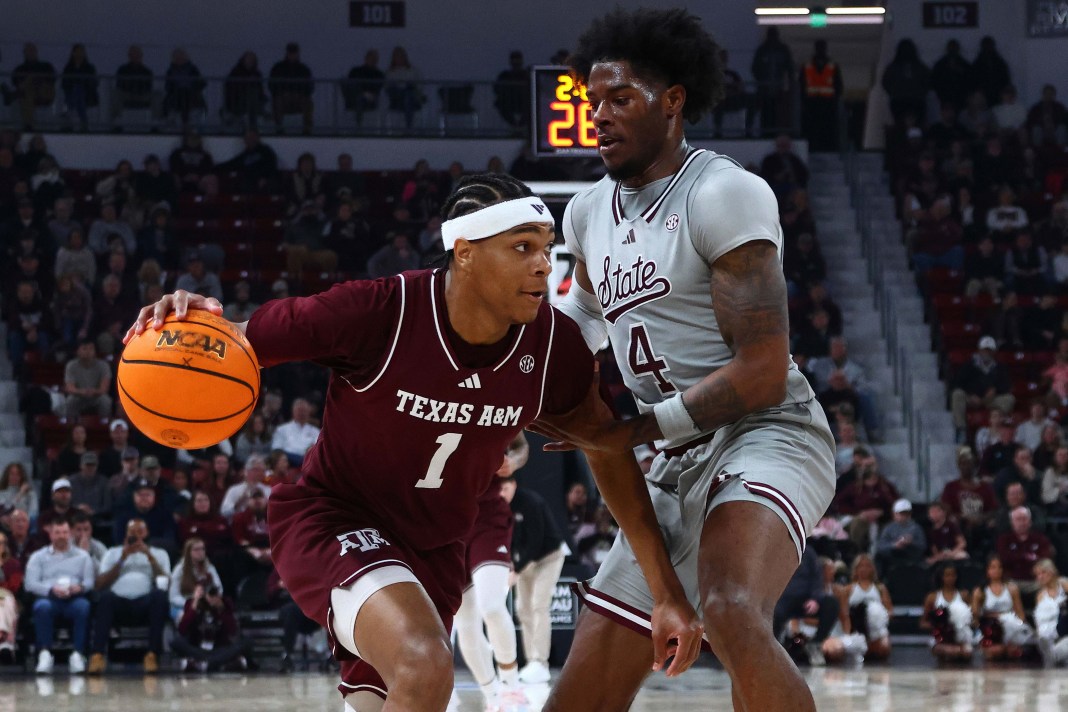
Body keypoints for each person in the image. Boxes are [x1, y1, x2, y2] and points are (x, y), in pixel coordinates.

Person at [123, 171, 701, 711]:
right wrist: (183, 323)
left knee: (406, 692)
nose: (543, 267)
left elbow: (606, 446)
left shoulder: (554, 348)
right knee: (426, 665)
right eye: (522, 247)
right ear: (466, 253)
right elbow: (236, 342)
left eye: (546, 248)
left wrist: (665, 589)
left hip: (436, 552)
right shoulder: (378, 311)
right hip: (333, 520)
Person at [536, 10, 836, 711]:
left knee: (730, 607)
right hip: (674, 457)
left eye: (620, 99)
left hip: (769, 431)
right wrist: (516, 370)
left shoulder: (722, 193)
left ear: (673, 100)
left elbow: (762, 369)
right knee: (577, 700)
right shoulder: (586, 212)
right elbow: (582, 315)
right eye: (592, 103)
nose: (600, 117)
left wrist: (631, 432)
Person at [454, 434, 528, 708]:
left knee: (492, 606)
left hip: (488, 516)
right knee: (465, 624)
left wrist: (514, 461)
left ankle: (511, 685)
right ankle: (492, 694)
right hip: (446, 523)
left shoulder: (491, 396)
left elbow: (521, 444)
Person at [502, 473, 567, 686]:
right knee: (522, 608)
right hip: (525, 562)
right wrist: (511, 565)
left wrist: (516, 570)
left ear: (513, 484)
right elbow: (508, 539)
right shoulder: (502, 507)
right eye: (498, 491)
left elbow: (536, 541)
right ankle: (531, 662)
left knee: (539, 605)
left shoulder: (530, 502)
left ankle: (541, 662)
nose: (501, 494)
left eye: (504, 489)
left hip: (548, 557)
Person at [89, 518, 171, 674]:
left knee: (160, 596)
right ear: (126, 533)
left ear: (146, 533)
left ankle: (152, 654)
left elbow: (166, 581)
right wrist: (122, 558)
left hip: (145, 603)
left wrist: (149, 556)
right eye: (132, 532)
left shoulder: (159, 553)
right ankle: (97, 655)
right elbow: (100, 584)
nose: (136, 535)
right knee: (105, 598)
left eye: (140, 531)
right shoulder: (112, 552)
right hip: (119, 604)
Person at [24, 516, 95, 674]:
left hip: (74, 598)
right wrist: (50, 590)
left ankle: (78, 654)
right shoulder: (38, 557)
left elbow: (89, 582)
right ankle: (44, 654)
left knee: (83, 607)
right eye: (57, 532)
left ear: (69, 533)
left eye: (64, 532)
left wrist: (80, 588)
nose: (61, 536)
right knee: (42, 607)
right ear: (51, 534)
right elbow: (30, 584)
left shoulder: (83, 556)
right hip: (49, 597)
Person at [773, 541, 840, 667]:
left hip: (804, 599)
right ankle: (772, 650)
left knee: (831, 603)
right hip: (781, 598)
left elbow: (817, 578)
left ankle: (815, 643)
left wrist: (815, 599)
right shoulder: (774, 549)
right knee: (774, 613)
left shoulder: (808, 552)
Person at [172, 583, 254, 672]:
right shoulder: (191, 603)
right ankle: (219, 664)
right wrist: (194, 606)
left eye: (213, 593)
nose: (210, 597)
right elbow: (182, 629)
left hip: (219, 649)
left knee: (247, 642)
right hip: (198, 648)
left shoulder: (225, 603)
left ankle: (202, 664)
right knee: (176, 642)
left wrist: (221, 608)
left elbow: (232, 630)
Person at [971, 555, 1034, 661]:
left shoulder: (1011, 588)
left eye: (999, 567)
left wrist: (1021, 627)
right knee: (993, 652)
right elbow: (975, 616)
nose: (997, 570)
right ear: (987, 570)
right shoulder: (980, 591)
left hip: (1010, 626)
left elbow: (1020, 613)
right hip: (989, 628)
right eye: (993, 567)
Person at [836, 555, 892, 662]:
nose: (864, 569)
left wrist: (878, 618)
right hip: (855, 629)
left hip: (876, 631)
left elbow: (889, 610)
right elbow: (843, 613)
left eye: (867, 566)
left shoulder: (880, 588)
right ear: (855, 570)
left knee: (884, 647)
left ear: (872, 569)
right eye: (861, 566)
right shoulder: (848, 589)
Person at [921, 564, 973, 662]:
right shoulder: (932, 597)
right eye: (947, 575)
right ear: (941, 577)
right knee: (950, 652)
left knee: (966, 652)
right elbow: (923, 622)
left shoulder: (964, 595)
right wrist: (939, 626)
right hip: (941, 638)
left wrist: (961, 624)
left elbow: (972, 618)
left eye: (953, 575)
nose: (950, 578)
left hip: (960, 637)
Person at [799, 40, 842, 152]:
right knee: (813, 130)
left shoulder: (832, 66)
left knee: (827, 130)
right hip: (812, 105)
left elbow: (838, 86)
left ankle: (828, 148)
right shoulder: (807, 66)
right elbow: (801, 85)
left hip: (827, 105)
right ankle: (813, 148)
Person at [750, 27, 793, 136]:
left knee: (778, 113)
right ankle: (765, 133)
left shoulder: (783, 50)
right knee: (765, 113)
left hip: (779, 88)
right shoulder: (762, 50)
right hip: (764, 89)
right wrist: (762, 82)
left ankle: (777, 133)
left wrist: (788, 86)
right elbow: (755, 69)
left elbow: (790, 69)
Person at [169, 537, 224, 622]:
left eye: (202, 549)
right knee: (188, 618)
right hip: (182, 605)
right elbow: (173, 597)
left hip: (205, 603)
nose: (201, 552)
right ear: (189, 552)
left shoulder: (209, 567)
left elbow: (219, 587)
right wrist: (191, 603)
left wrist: (211, 599)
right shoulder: (179, 569)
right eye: (196, 550)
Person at [269, 42, 314, 133]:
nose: (292, 55)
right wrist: (282, 93)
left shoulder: (304, 69)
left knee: (308, 103)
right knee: (277, 101)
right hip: (282, 98)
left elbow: (309, 87)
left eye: (294, 53)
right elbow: (272, 84)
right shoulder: (278, 68)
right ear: (287, 53)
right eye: (290, 52)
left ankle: (307, 129)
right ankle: (279, 128)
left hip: (299, 98)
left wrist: (300, 94)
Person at [63, 338, 112, 419]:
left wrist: (93, 392)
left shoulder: (103, 365)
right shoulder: (71, 365)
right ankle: (71, 425)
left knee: (105, 400)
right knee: (70, 400)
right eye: (84, 348)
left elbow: (104, 389)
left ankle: (104, 424)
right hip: (79, 395)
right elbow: (70, 388)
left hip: (96, 396)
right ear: (77, 351)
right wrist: (82, 392)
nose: (88, 352)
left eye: (91, 348)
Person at [1034, 559, 1068, 667]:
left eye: (1043, 572)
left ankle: (1053, 655)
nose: (1040, 577)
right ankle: (1051, 653)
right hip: (1047, 633)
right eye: (1038, 574)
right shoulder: (1040, 595)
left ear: (1052, 571)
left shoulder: (1064, 585)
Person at [270, 398, 321, 468]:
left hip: (309, 464)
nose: (302, 413)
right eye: (299, 410)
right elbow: (276, 449)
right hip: (288, 464)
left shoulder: (315, 431)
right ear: (293, 411)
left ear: (309, 412)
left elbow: (318, 449)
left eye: (304, 411)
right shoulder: (282, 429)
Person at [225, 51, 266, 129]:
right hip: (237, 101)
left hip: (254, 101)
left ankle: (255, 123)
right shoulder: (236, 72)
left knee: (254, 96)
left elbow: (260, 90)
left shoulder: (257, 73)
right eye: (248, 59)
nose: (250, 62)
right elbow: (231, 89)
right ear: (243, 60)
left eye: (252, 60)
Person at [343, 50, 386, 125]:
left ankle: (359, 125)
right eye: (371, 58)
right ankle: (363, 93)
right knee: (344, 81)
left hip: (369, 101)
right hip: (352, 98)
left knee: (360, 98)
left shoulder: (379, 74)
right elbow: (350, 85)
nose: (373, 60)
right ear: (366, 58)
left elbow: (377, 88)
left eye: (375, 59)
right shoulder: (355, 70)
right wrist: (362, 91)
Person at [0, 531, 23, 663]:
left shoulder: (13, 564)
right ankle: (5, 644)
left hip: (9, 597)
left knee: (6, 601)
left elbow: (14, 586)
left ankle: (4, 642)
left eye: (1, 543)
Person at [492, 50, 529, 128]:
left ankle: (519, 127)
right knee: (501, 106)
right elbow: (497, 88)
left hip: (524, 101)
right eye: (514, 60)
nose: (516, 62)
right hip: (509, 102)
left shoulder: (526, 75)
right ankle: (516, 127)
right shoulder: (504, 75)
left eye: (518, 60)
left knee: (531, 107)